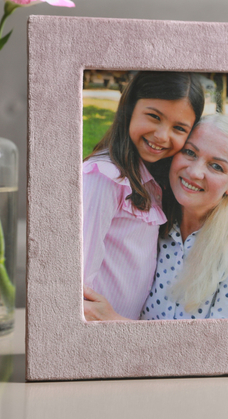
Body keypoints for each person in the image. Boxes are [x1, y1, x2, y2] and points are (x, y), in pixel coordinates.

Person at [84, 114, 228, 321]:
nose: (195, 172)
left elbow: (222, 348)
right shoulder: (155, 216)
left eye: (216, 166)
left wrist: (113, 322)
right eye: (189, 152)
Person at [82, 71, 204, 320]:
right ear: (129, 108)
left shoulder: (151, 179)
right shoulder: (105, 177)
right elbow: (78, 273)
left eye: (179, 128)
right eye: (153, 116)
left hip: (125, 332)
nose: (161, 135)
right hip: (99, 335)